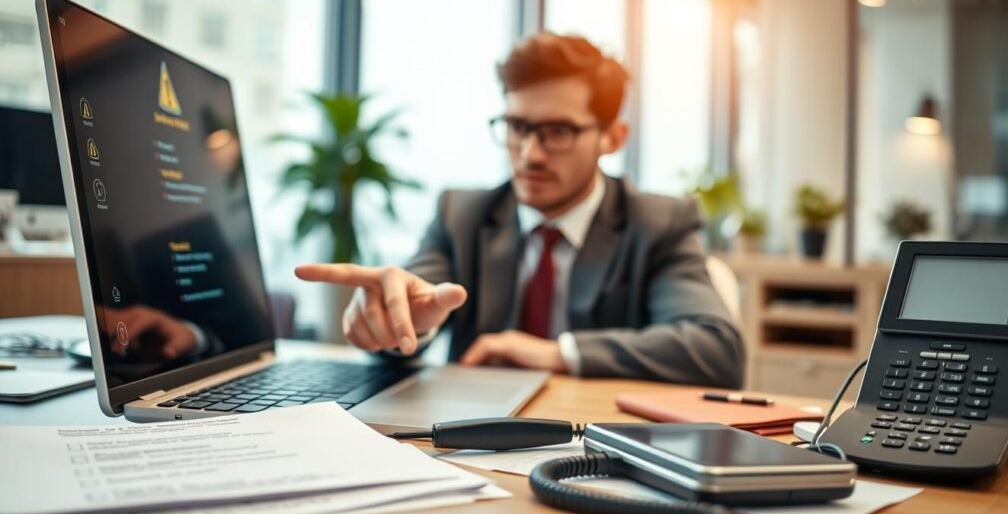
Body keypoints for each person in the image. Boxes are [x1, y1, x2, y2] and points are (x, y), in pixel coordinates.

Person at [297, 32, 744, 386]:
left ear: (613, 138)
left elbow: (715, 347)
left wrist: (558, 353)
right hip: (472, 443)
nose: (529, 154)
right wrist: (397, 319)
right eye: (517, 126)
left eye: (558, 131)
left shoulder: (657, 223)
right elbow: (418, 297)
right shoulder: (462, 214)